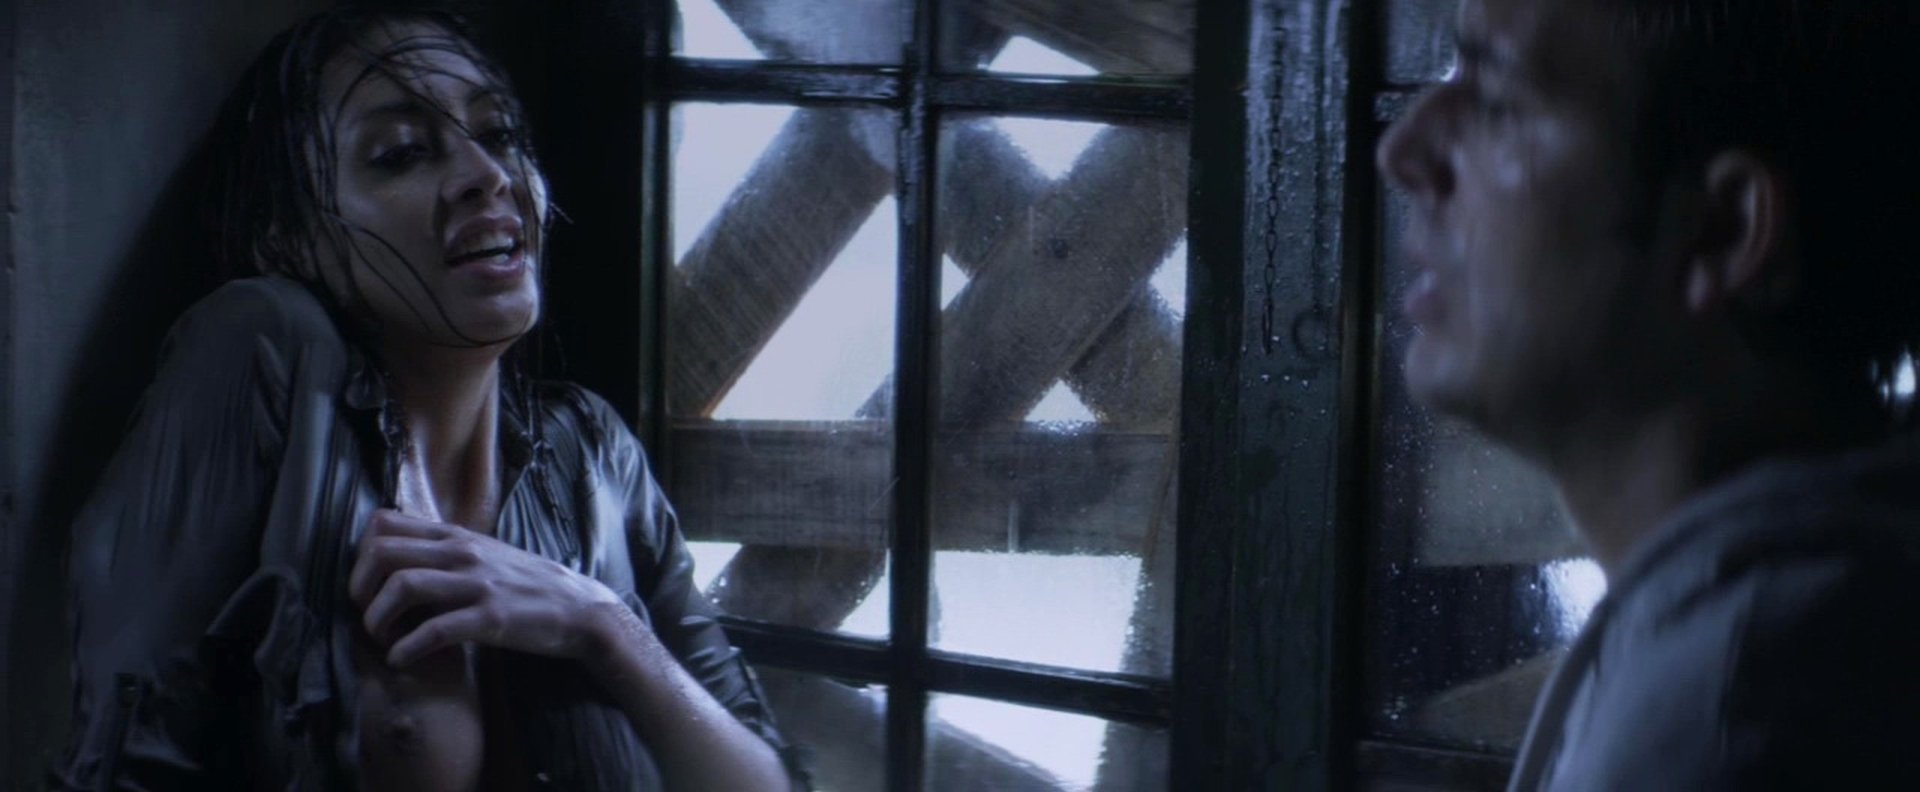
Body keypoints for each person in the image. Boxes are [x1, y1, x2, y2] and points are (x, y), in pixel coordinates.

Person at [52, 7, 804, 790]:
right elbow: (125, 766)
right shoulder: (262, 352)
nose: (488, 175)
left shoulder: (592, 449)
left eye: (500, 134)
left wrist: (600, 624)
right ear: (287, 237)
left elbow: (766, 782)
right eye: (403, 152)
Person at [1378, 0, 1920, 788]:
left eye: (1498, 102)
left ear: (1723, 229)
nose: (1401, 151)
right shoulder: (1815, 621)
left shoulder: (1725, 719)